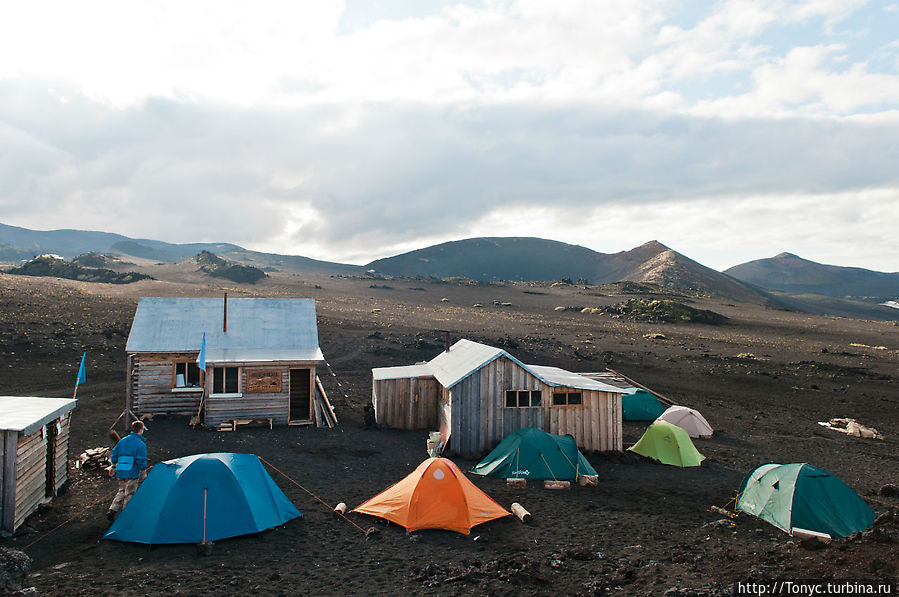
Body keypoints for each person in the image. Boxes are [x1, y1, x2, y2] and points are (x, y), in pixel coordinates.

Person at [106, 420, 148, 521]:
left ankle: (112, 510)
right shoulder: (140, 444)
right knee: (129, 493)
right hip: (132, 471)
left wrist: (114, 465)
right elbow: (141, 460)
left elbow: (114, 455)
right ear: (141, 430)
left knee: (121, 490)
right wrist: (143, 471)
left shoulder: (122, 441)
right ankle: (126, 516)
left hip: (121, 470)